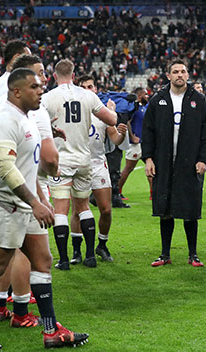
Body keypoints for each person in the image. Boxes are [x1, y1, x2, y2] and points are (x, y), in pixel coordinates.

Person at [0, 68, 88, 350]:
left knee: (43, 261)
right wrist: (35, 202)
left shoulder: (28, 117)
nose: (41, 90)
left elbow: (27, 165)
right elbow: (6, 168)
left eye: (42, 86)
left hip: (27, 204)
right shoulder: (2, 120)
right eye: (35, 86)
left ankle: (50, 330)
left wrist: (41, 198)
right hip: (3, 206)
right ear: (17, 91)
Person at [0, 54, 61, 328]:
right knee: (21, 254)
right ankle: (18, 310)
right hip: (19, 192)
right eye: (39, 75)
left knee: (18, 256)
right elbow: (49, 158)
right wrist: (44, 189)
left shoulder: (1, 95)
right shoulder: (29, 110)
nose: (42, 82)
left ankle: (3, 307)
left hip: (11, 190)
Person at [43, 60, 118, 270]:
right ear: (74, 75)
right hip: (84, 159)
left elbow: (35, 123)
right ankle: (90, 256)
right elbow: (111, 119)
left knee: (61, 211)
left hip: (61, 160)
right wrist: (113, 110)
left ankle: (65, 260)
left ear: (54, 74)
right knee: (84, 207)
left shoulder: (48, 98)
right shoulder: (88, 95)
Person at [142, 58, 206, 268]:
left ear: (188, 75)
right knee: (165, 209)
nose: (179, 75)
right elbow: (148, 132)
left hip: (190, 163)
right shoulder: (158, 100)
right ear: (168, 76)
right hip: (163, 162)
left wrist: (203, 159)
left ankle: (193, 254)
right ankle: (165, 254)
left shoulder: (199, 100)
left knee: (190, 209)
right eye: (175, 72)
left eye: (183, 71)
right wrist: (148, 158)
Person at [68, 75, 128, 266]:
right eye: (84, 87)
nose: (88, 89)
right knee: (78, 210)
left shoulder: (102, 115)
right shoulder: (73, 113)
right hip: (78, 164)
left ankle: (102, 244)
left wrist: (121, 134)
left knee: (106, 209)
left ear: (96, 89)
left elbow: (115, 139)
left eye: (91, 86)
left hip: (97, 164)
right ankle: (77, 251)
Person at [118, 87, 151, 200]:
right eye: (146, 94)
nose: (148, 96)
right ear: (140, 96)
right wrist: (132, 136)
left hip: (145, 142)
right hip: (135, 144)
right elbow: (127, 121)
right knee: (129, 168)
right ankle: (117, 192)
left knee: (151, 166)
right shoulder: (133, 107)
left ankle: (153, 193)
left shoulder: (145, 107)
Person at [0, 40, 30, 118]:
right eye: (28, 58)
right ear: (16, 57)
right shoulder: (10, 82)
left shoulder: (3, 80)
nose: (31, 62)